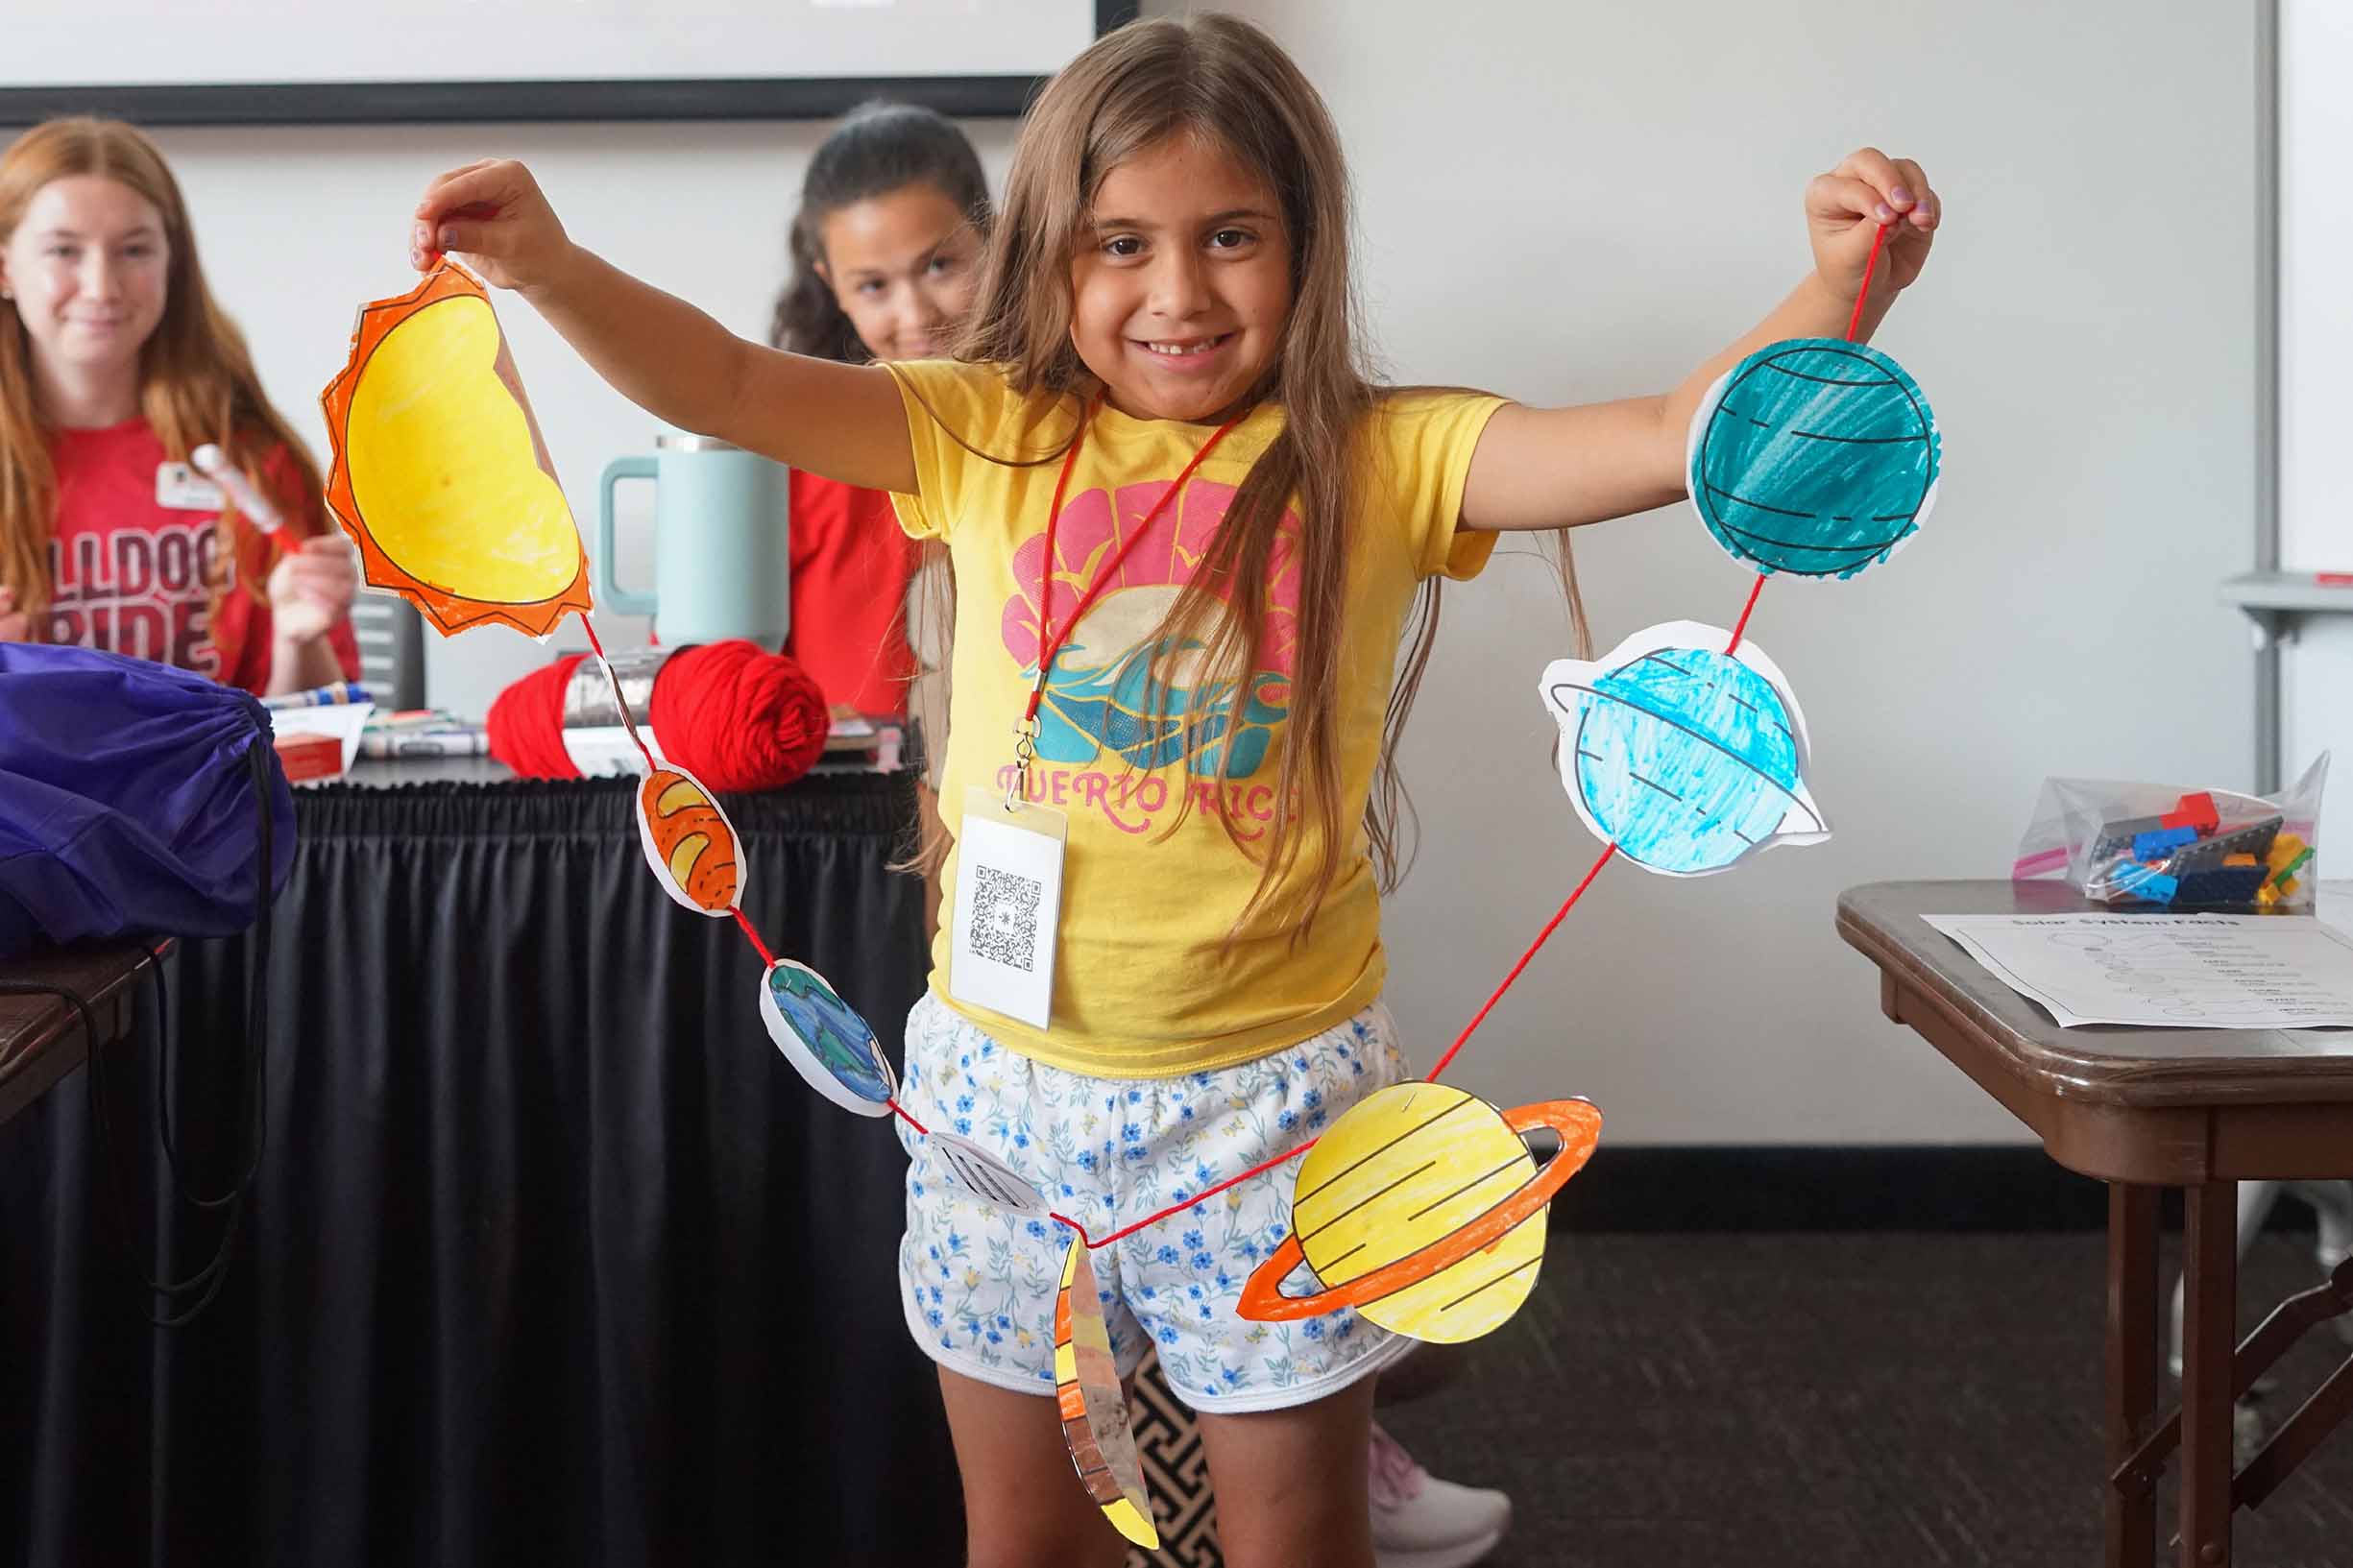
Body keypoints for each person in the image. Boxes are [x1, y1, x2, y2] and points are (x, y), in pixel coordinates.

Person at [405, 14, 1938, 1566]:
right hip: (1000, 1101)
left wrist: (1842, 288)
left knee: (1294, 1543)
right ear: (1054, 255)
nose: (1177, 293)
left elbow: (1675, 438)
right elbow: (730, 382)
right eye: (1121, 243)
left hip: (1266, 1111)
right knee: (1032, 1542)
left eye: (1230, 237)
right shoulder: (979, 430)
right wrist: (547, 264)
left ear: (1305, 244)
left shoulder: (1381, 455)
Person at [0, 117, 357, 694]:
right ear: (5, 268)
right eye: (64, 250)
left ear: (173, 263)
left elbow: (311, 740)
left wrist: (300, 638)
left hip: (215, 785)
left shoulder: (252, 462)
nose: (101, 287)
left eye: (134, 250)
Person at [768, 100, 984, 719]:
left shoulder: (1056, 425)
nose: (916, 317)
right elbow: (713, 667)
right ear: (830, 283)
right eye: (873, 286)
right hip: (841, 801)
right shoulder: (792, 449)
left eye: (940, 266)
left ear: (993, 237)